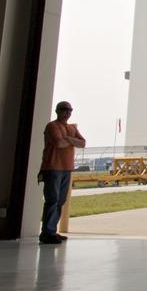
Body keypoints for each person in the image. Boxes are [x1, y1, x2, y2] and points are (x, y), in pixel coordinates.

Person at [39, 101, 85, 245]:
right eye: (65, 109)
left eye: (70, 110)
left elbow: (83, 143)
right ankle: (47, 232)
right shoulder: (52, 126)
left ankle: (52, 230)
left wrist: (68, 140)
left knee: (60, 201)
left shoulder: (71, 128)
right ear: (58, 111)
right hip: (53, 167)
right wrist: (73, 141)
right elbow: (58, 143)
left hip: (66, 168)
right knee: (52, 200)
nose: (68, 112)